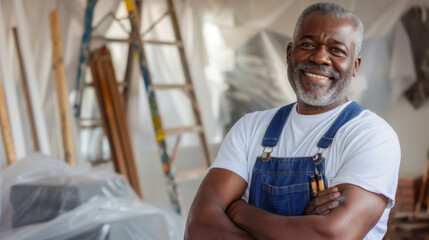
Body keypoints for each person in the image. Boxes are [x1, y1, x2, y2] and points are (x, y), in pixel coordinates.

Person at [185, 2, 400, 240]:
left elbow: (334, 235)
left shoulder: (371, 136)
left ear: (355, 66)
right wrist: (303, 225)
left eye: (337, 50)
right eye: (308, 44)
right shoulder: (249, 128)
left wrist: (240, 212)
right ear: (289, 54)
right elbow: (199, 227)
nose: (320, 58)